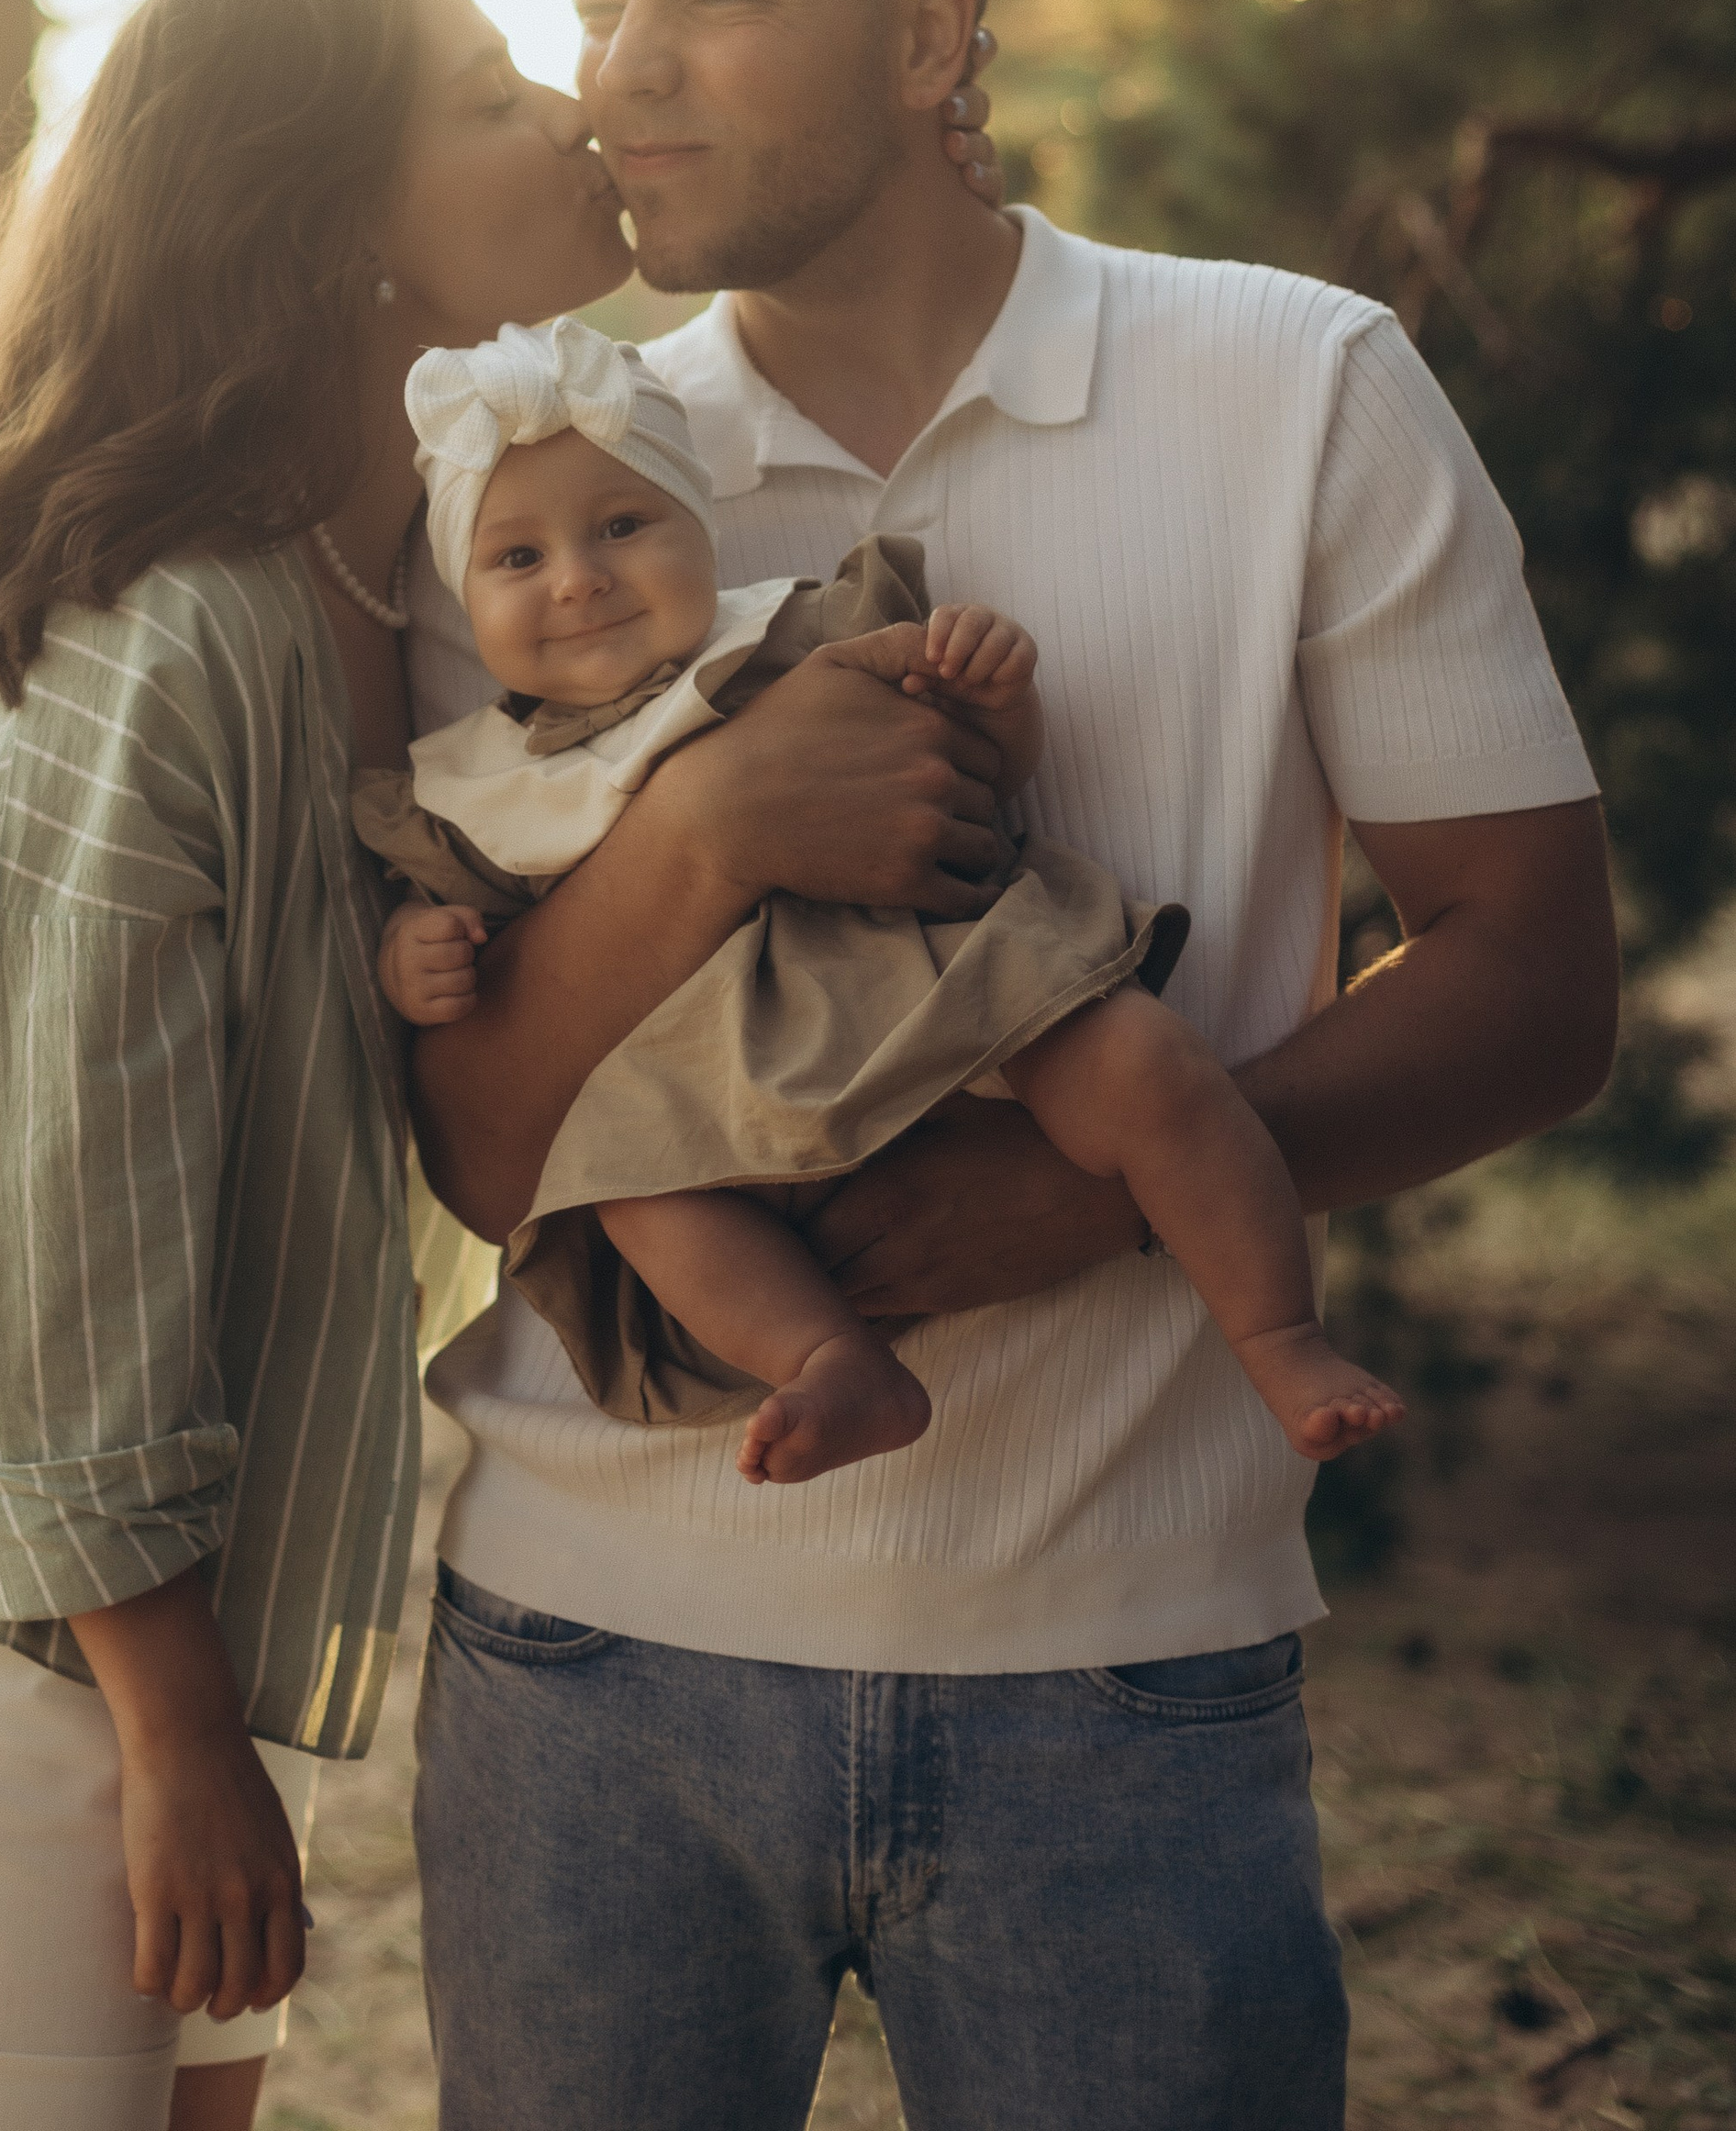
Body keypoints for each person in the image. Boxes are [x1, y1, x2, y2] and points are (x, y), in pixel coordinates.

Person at [402, 0, 1619, 2131]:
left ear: (932, 30)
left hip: (1127, 1686)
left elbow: (1530, 977)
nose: (615, 72)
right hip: (586, 1671)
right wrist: (706, 832)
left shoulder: (1297, 385)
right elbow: (470, 1141)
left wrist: (1039, 1208)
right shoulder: (531, 474)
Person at [0, 0, 642, 2131]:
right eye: (491, 91)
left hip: (162, 1621)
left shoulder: (399, 588)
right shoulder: (164, 634)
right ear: (331, 224)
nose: (573, 114)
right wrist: (173, 1728)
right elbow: (56, 1216)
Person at [367, 315, 1403, 1487]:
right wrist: (417, 951)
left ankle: (1277, 1335)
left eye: (621, 524)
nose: (580, 575)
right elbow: (478, 931)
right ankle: (832, 1359)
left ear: (692, 522)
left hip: (937, 971)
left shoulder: (795, 635)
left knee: (1147, 1070)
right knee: (636, 1200)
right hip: (704, 1079)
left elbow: (961, 778)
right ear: (464, 597)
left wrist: (996, 701)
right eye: (518, 559)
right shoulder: (478, 786)